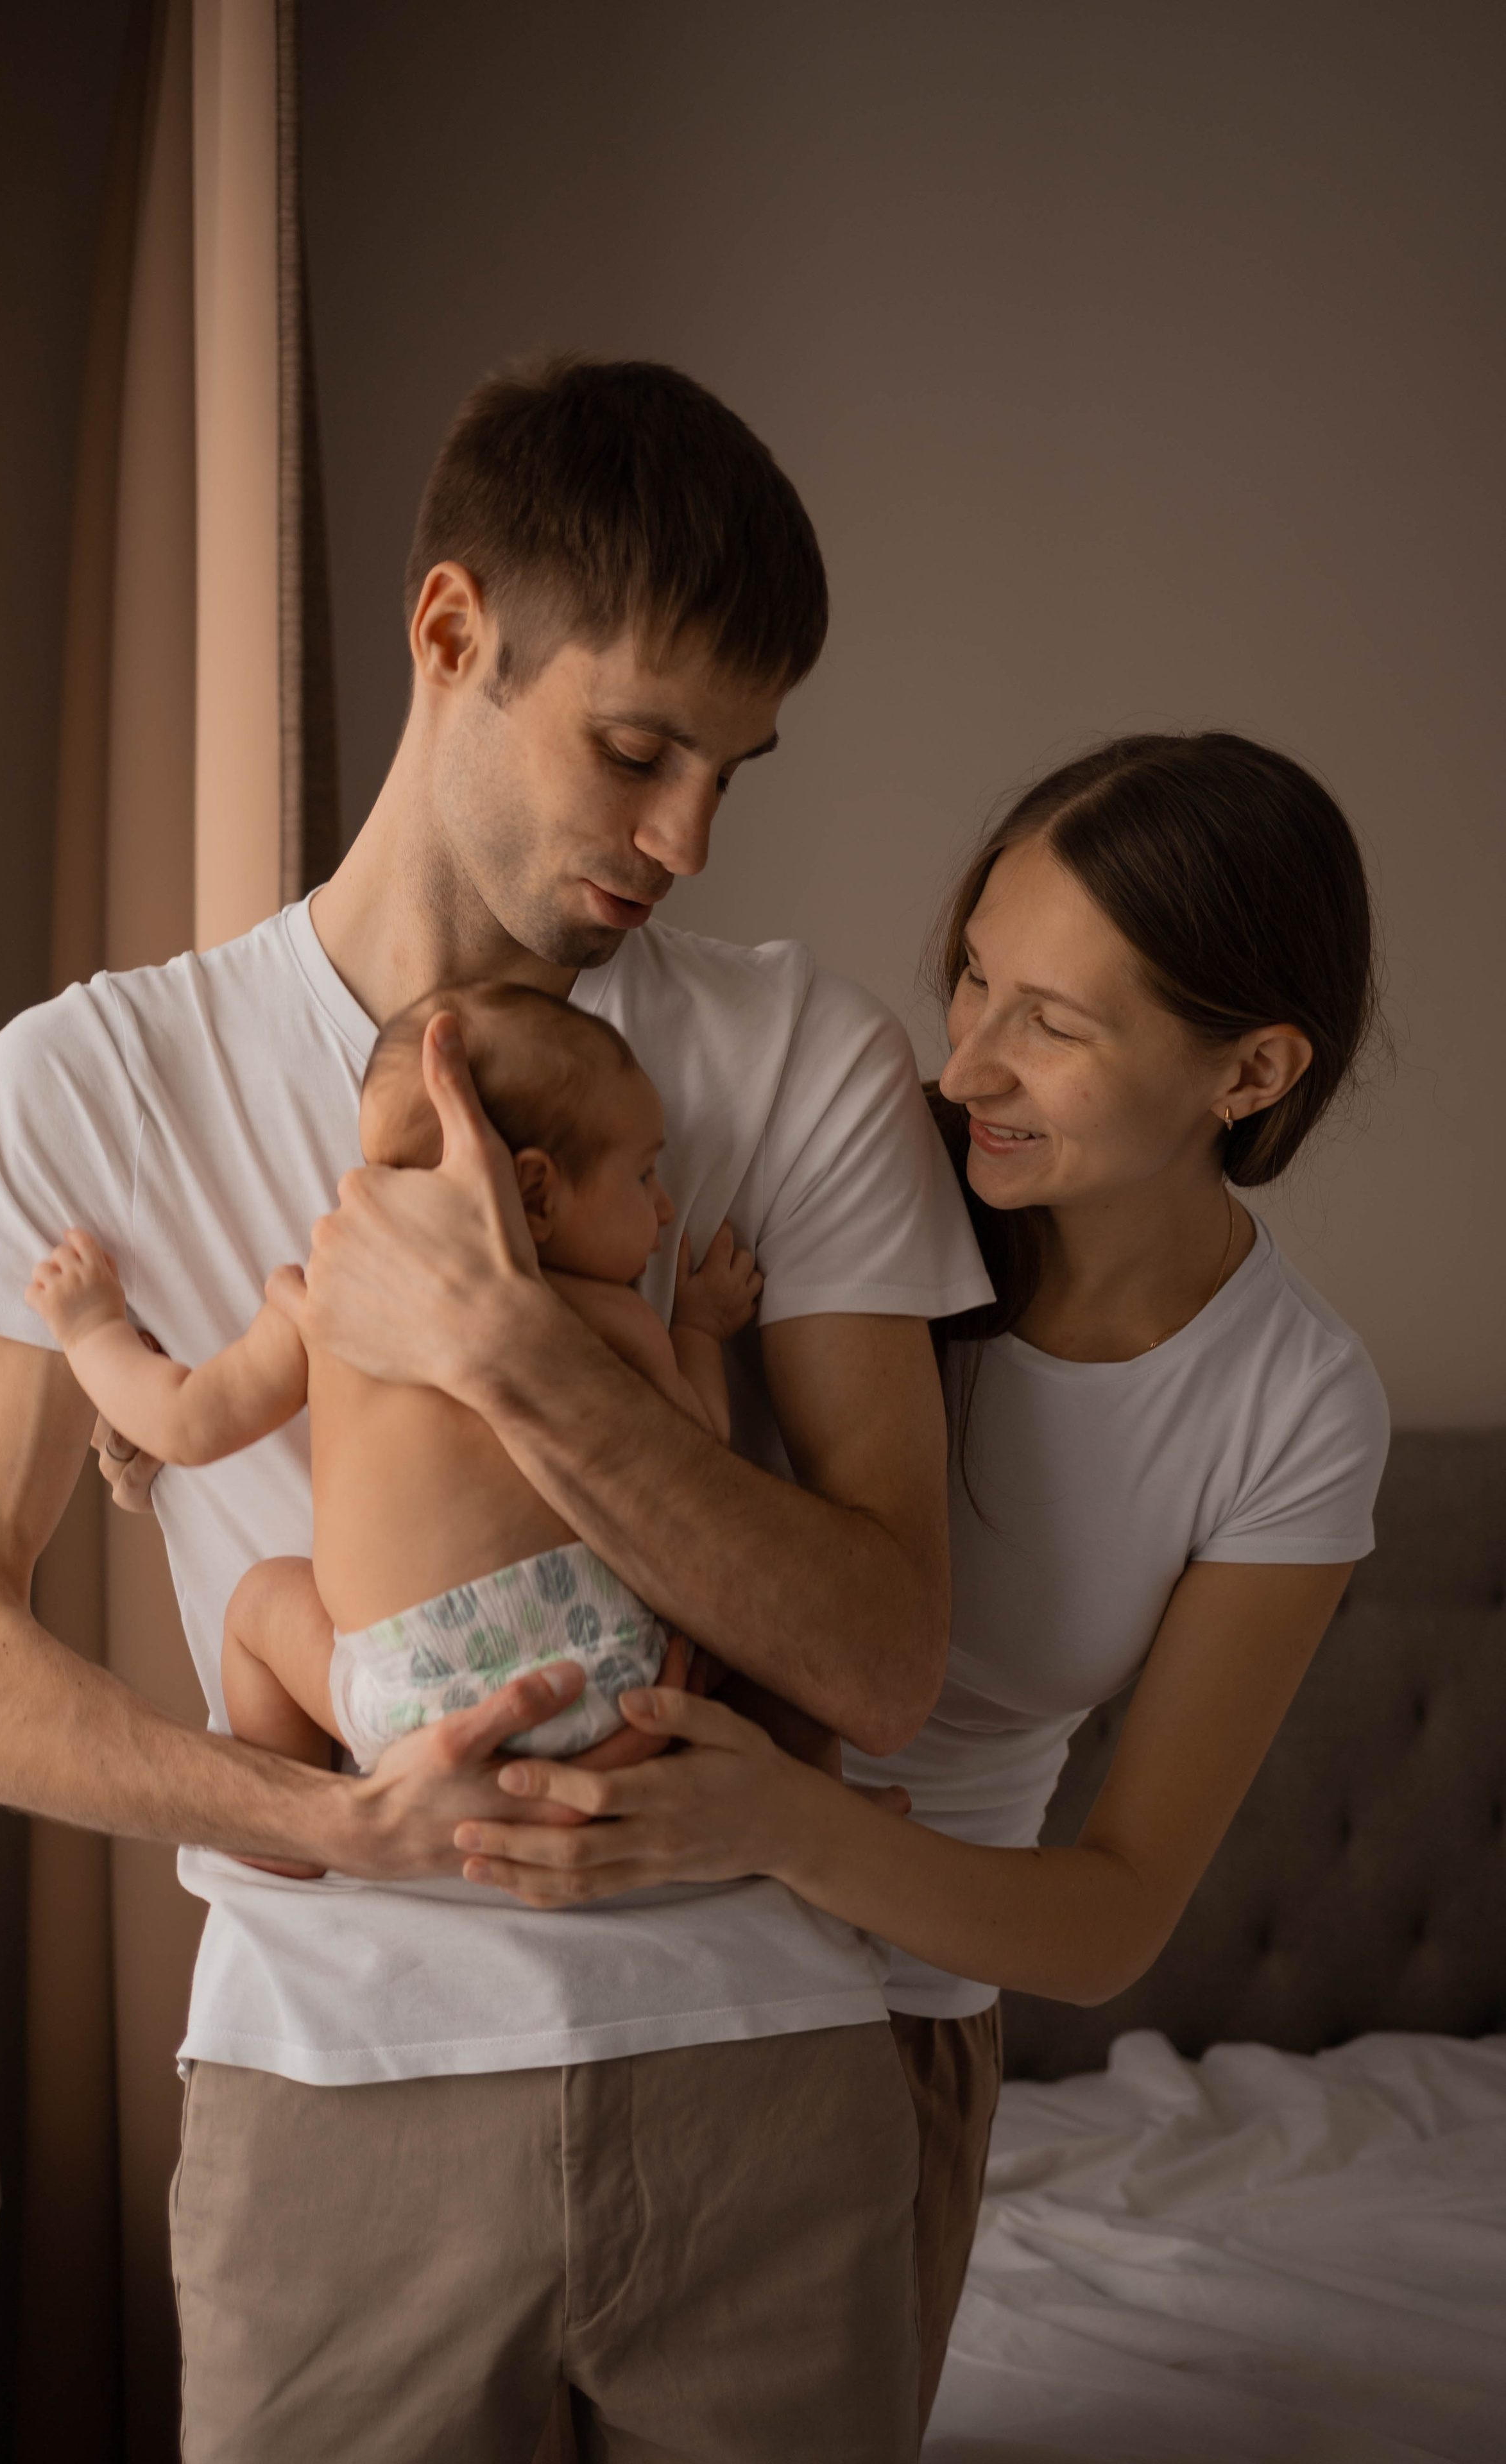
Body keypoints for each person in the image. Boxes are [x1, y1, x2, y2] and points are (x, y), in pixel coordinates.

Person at [0, 355, 988, 2463]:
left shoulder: (796, 1065)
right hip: (340, 2094)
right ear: (452, 634)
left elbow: (881, 1656)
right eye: (640, 749)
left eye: (731, 773)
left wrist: (514, 1346)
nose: (688, 836)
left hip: (762, 2065)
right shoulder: (92, 1085)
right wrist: (327, 1818)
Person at [424, 731, 1392, 2430]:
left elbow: (1108, 1919)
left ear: (1252, 1074)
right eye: (973, 980)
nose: (961, 1070)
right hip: (572, 1967)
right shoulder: (864, 1179)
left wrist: (783, 1825)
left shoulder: (1294, 1407)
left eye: (1052, 1024)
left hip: (894, 2022)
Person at [24, 982, 766, 1777]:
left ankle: (297, 1811)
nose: (662, 1210)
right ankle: (811, 1799)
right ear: (537, 1193)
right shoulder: (611, 1321)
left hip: (409, 1704)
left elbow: (184, 1424)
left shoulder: (326, 1300)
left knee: (257, 1607)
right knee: (761, 1626)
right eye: (645, 1177)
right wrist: (696, 1329)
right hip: (611, 1681)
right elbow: (705, 1455)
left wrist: (92, 1329)